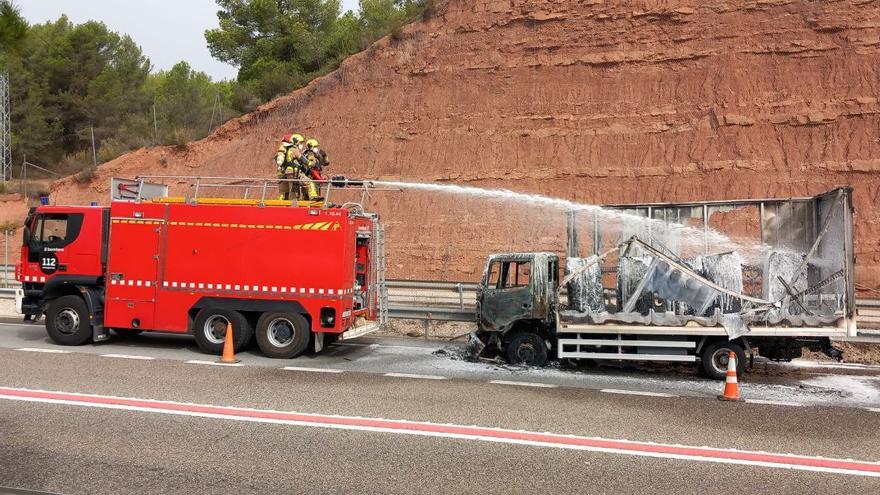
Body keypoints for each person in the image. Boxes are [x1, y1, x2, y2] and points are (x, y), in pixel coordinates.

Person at [274, 133, 304, 200]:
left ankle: (281, 205)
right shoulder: (293, 150)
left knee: (283, 192)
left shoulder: (282, 151)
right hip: (291, 173)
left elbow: (276, 159)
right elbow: (303, 160)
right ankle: (292, 205)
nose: (301, 144)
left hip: (282, 173)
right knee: (293, 190)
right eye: (300, 143)